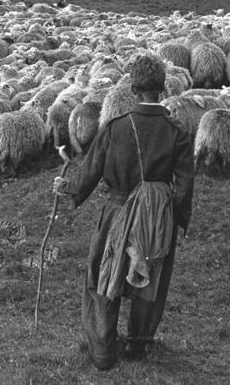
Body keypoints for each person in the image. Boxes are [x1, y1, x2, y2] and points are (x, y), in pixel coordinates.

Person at [53, 53, 194, 371]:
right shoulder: (177, 131)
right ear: (163, 89)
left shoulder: (115, 127)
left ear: (133, 87)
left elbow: (90, 170)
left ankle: (103, 349)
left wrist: (69, 188)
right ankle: (138, 345)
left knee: (103, 274)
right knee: (150, 280)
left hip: (116, 213)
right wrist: (180, 219)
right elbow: (184, 184)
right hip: (157, 218)